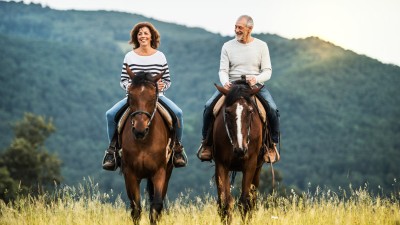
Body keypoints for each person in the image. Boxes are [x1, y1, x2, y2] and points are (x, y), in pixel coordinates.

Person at [102, 22, 188, 170]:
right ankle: (113, 150)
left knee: (178, 114)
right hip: (135, 98)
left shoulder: (160, 56)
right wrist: (128, 87)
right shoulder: (129, 56)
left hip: (156, 96)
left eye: (145, 33)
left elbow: (167, 80)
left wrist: (162, 86)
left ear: (151, 36)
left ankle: (177, 149)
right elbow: (123, 79)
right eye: (139, 33)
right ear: (136, 37)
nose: (142, 36)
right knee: (110, 115)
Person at [197, 15, 280, 163]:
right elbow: (223, 70)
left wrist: (257, 79)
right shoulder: (227, 46)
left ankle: (272, 145)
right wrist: (225, 82)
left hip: (253, 85)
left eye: (240, 27)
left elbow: (268, 71)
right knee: (209, 106)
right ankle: (206, 144)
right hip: (232, 85)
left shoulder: (261, 46)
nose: (236, 30)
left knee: (272, 109)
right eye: (235, 27)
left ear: (250, 28)